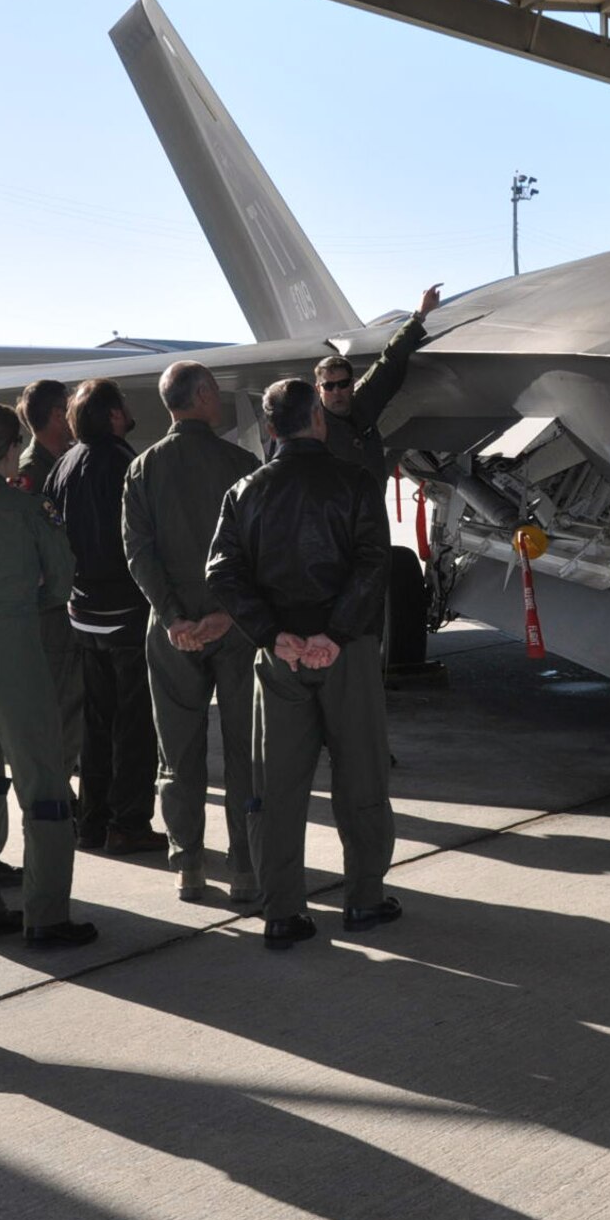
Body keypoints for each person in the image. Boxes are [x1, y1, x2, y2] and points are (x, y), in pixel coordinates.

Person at [206, 377, 396, 950]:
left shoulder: (244, 491)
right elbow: (372, 563)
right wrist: (335, 635)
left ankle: (283, 911)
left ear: (269, 427)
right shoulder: (357, 483)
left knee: (278, 787)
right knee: (360, 775)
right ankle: (363, 899)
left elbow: (221, 572)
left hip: (280, 658)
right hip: (348, 654)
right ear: (317, 417)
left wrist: (273, 635)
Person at [0, 403, 96, 949]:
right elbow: (60, 578)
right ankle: (47, 915)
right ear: (9, 449)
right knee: (43, 783)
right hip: (11, 645)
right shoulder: (25, 507)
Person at [123, 360, 260, 904]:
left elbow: (138, 551)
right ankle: (247, 867)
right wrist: (227, 614)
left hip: (173, 632)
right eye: (216, 391)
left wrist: (174, 616)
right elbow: (256, 552)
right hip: (235, 627)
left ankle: (189, 866)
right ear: (201, 395)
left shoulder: (143, 468)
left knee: (178, 754)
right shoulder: (242, 464)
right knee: (245, 752)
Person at [43, 379, 164, 855]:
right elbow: (139, 538)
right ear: (113, 415)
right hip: (124, 613)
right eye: (124, 406)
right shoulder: (123, 464)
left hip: (82, 613)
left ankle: (92, 821)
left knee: (97, 722)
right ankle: (128, 822)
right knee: (134, 725)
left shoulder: (64, 464)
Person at [14, 378, 82, 779]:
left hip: (66, 605)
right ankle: (55, 794)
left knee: (74, 704)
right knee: (57, 705)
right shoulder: (31, 474)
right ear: (58, 415)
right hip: (49, 613)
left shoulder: (61, 462)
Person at [313, 284, 441, 484]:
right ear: (318, 389)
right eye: (329, 386)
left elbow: (390, 361)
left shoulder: (362, 403)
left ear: (353, 384)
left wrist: (420, 314)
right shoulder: (311, 428)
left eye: (343, 384)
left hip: (371, 507)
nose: (336, 391)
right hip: (334, 513)